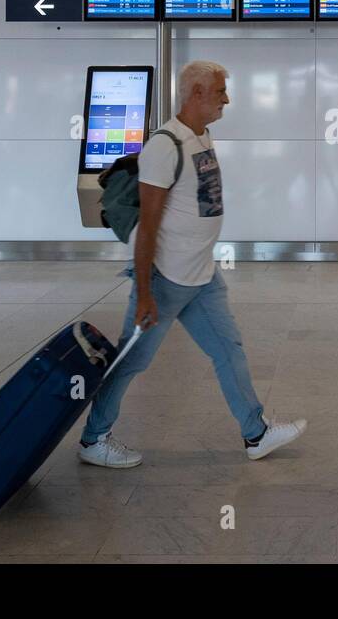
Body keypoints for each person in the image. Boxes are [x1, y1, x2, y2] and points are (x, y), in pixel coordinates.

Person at [78, 60, 306, 468]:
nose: (226, 99)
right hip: (166, 278)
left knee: (228, 348)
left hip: (201, 274)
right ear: (197, 93)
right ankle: (94, 439)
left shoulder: (202, 138)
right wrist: (145, 292)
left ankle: (255, 433)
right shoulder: (165, 147)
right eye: (220, 91)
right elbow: (148, 227)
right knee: (133, 360)